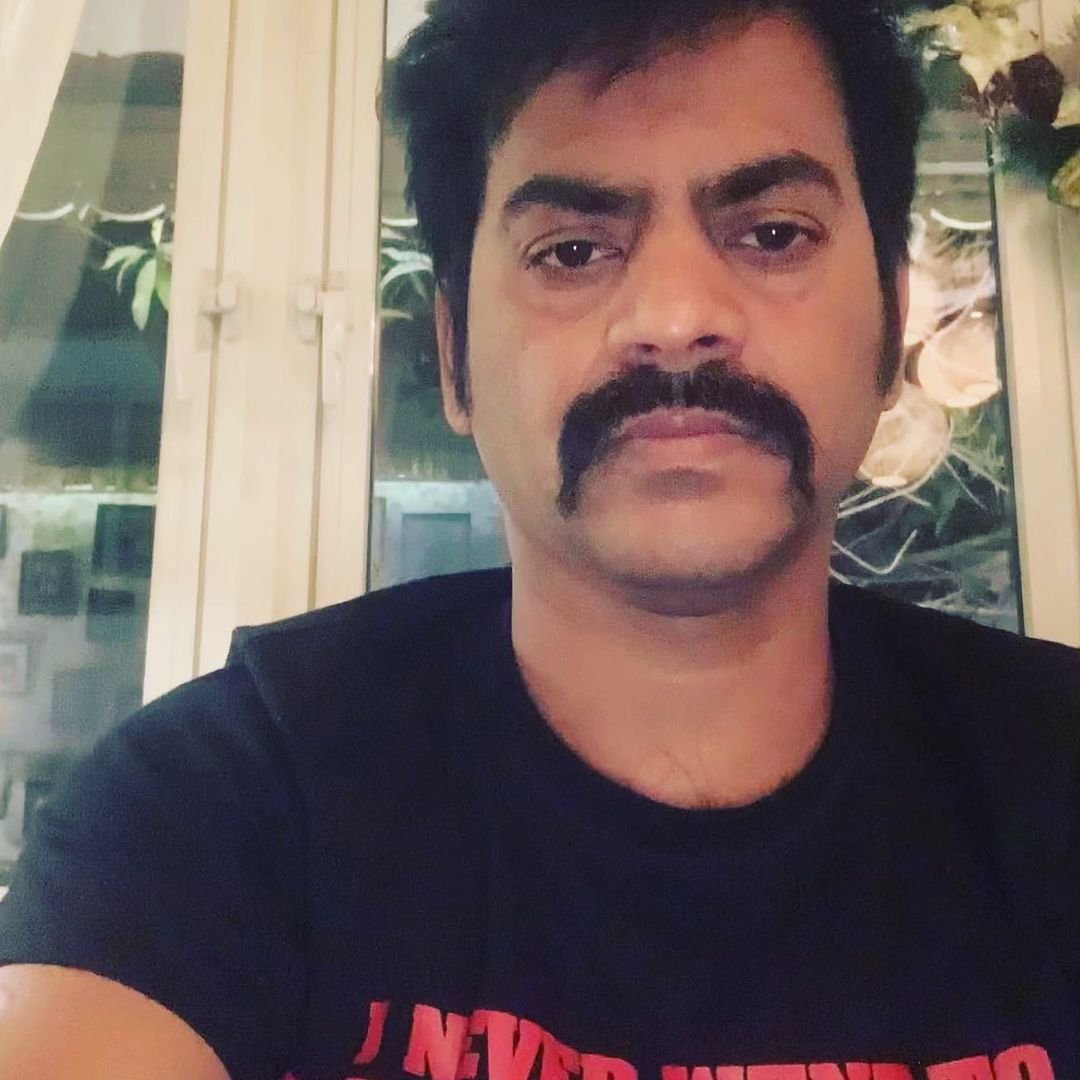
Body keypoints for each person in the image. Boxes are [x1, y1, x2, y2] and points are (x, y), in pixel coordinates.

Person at [0, 0, 1077, 1076]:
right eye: (570, 251)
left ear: (891, 323)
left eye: (773, 235)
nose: (675, 316)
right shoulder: (219, 811)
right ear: (455, 356)